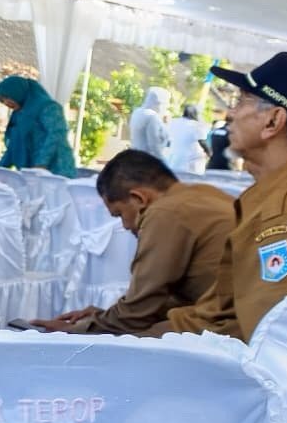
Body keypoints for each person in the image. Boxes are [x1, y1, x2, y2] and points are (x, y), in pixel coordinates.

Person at [161, 53, 287, 341]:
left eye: (241, 101)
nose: (231, 113)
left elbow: (269, 338)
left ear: (273, 121)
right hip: (198, 335)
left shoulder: (282, 213)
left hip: (200, 351)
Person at [32, 150, 233, 334]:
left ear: (139, 198)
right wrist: (101, 317)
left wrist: (76, 330)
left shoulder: (165, 213)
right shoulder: (205, 194)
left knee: (116, 346)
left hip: (223, 327)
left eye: (120, 214)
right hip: (234, 316)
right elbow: (155, 300)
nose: (126, 226)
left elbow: (136, 314)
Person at [0, 76, 76, 178]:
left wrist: (41, 164)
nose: (6, 103)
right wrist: (1, 169)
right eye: (2, 100)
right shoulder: (18, 115)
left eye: (8, 97)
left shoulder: (48, 107)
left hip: (57, 168)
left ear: (18, 92)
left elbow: (56, 135)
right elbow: (14, 145)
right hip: (31, 170)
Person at [167, 103, 210, 174]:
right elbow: (202, 142)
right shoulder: (196, 125)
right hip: (190, 164)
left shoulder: (173, 122)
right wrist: (209, 153)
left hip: (173, 162)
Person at [130, 86, 171, 160]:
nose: (165, 108)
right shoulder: (152, 116)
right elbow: (153, 144)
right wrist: (163, 161)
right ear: (158, 103)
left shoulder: (137, 112)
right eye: (165, 105)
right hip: (147, 159)